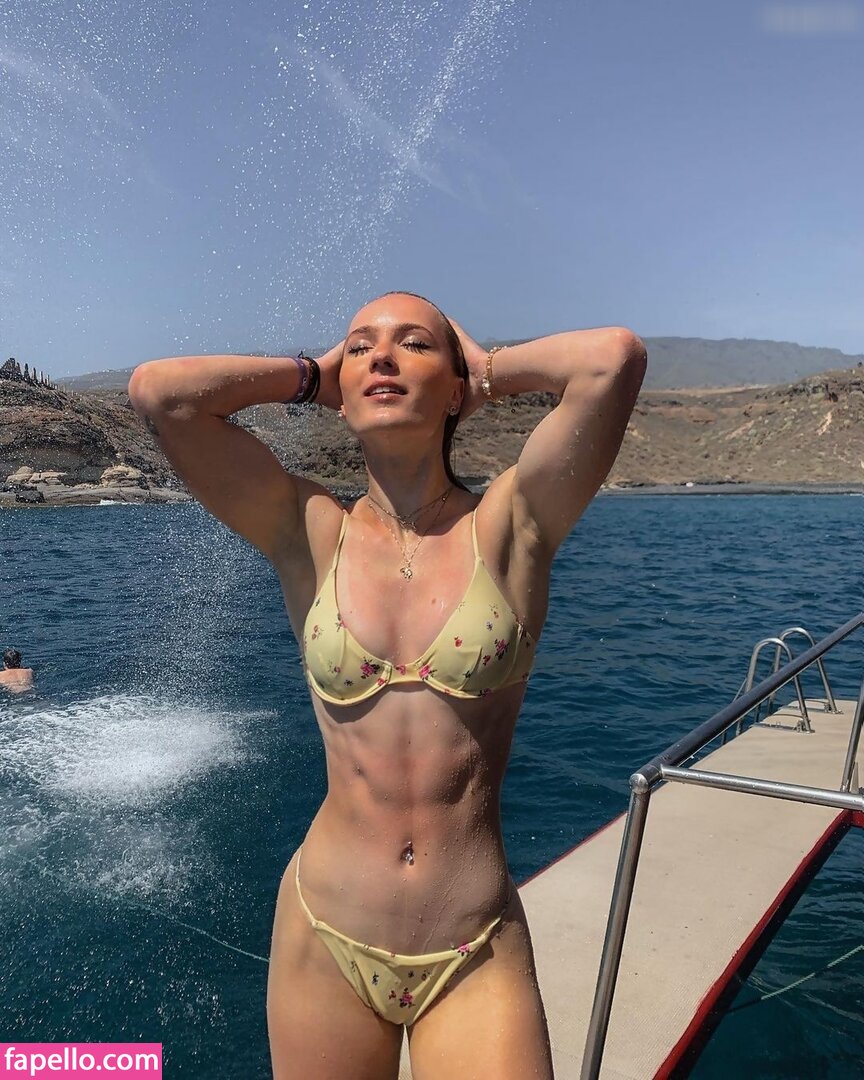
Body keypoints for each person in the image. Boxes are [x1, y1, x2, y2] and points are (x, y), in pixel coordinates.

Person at [128, 292, 646, 1079]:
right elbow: (162, 395)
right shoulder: (307, 529)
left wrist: (489, 370)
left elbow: (613, 360)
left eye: (414, 343)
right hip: (324, 934)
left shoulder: (512, 525)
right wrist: (312, 377)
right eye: (361, 345)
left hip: (474, 944)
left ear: (455, 389)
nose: (381, 356)